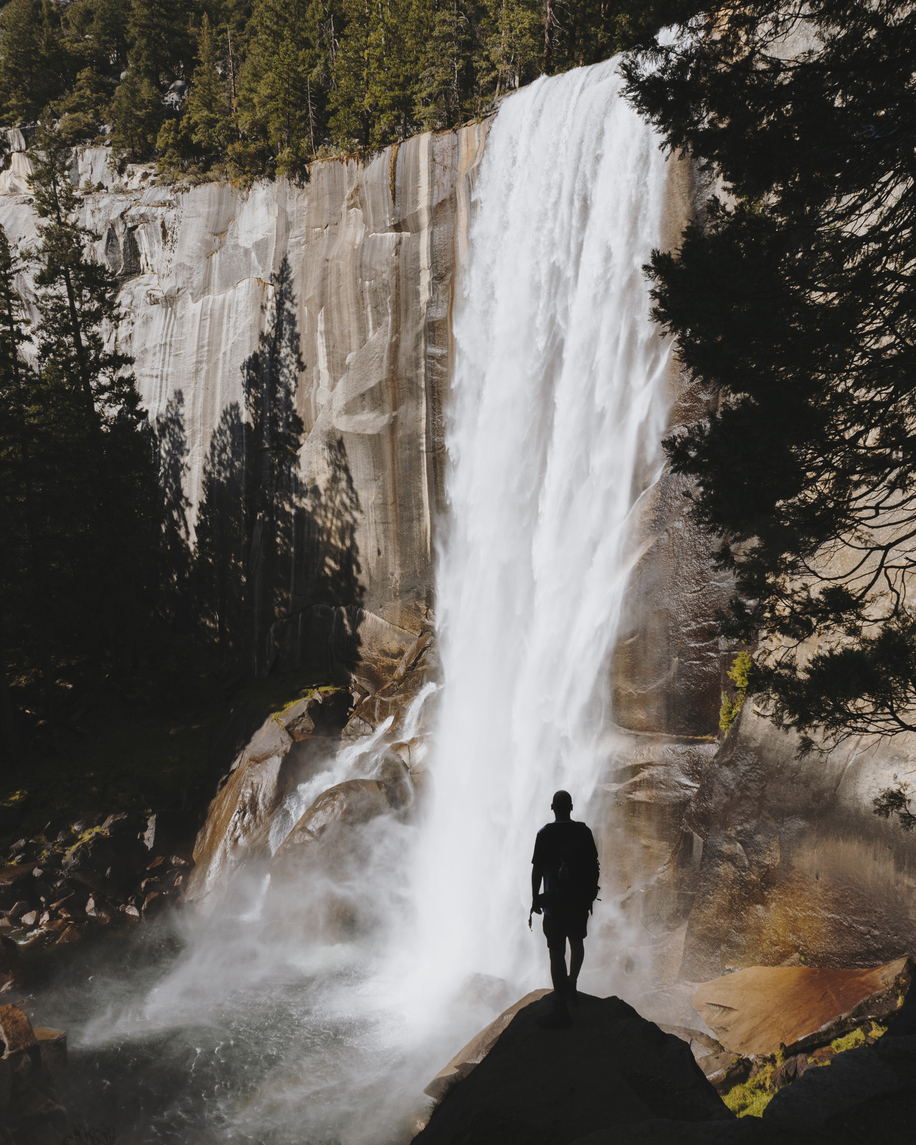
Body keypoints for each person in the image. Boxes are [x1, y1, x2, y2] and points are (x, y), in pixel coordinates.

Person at [530, 790, 599, 1028]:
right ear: (571, 807)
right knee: (577, 942)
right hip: (578, 901)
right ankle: (572, 984)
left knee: (556, 951)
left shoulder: (545, 833)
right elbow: (594, 865)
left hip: (554, 903)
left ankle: (560, 1004)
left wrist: (534, 899)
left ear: (552, 807)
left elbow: (537, 870)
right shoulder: (584, 831)